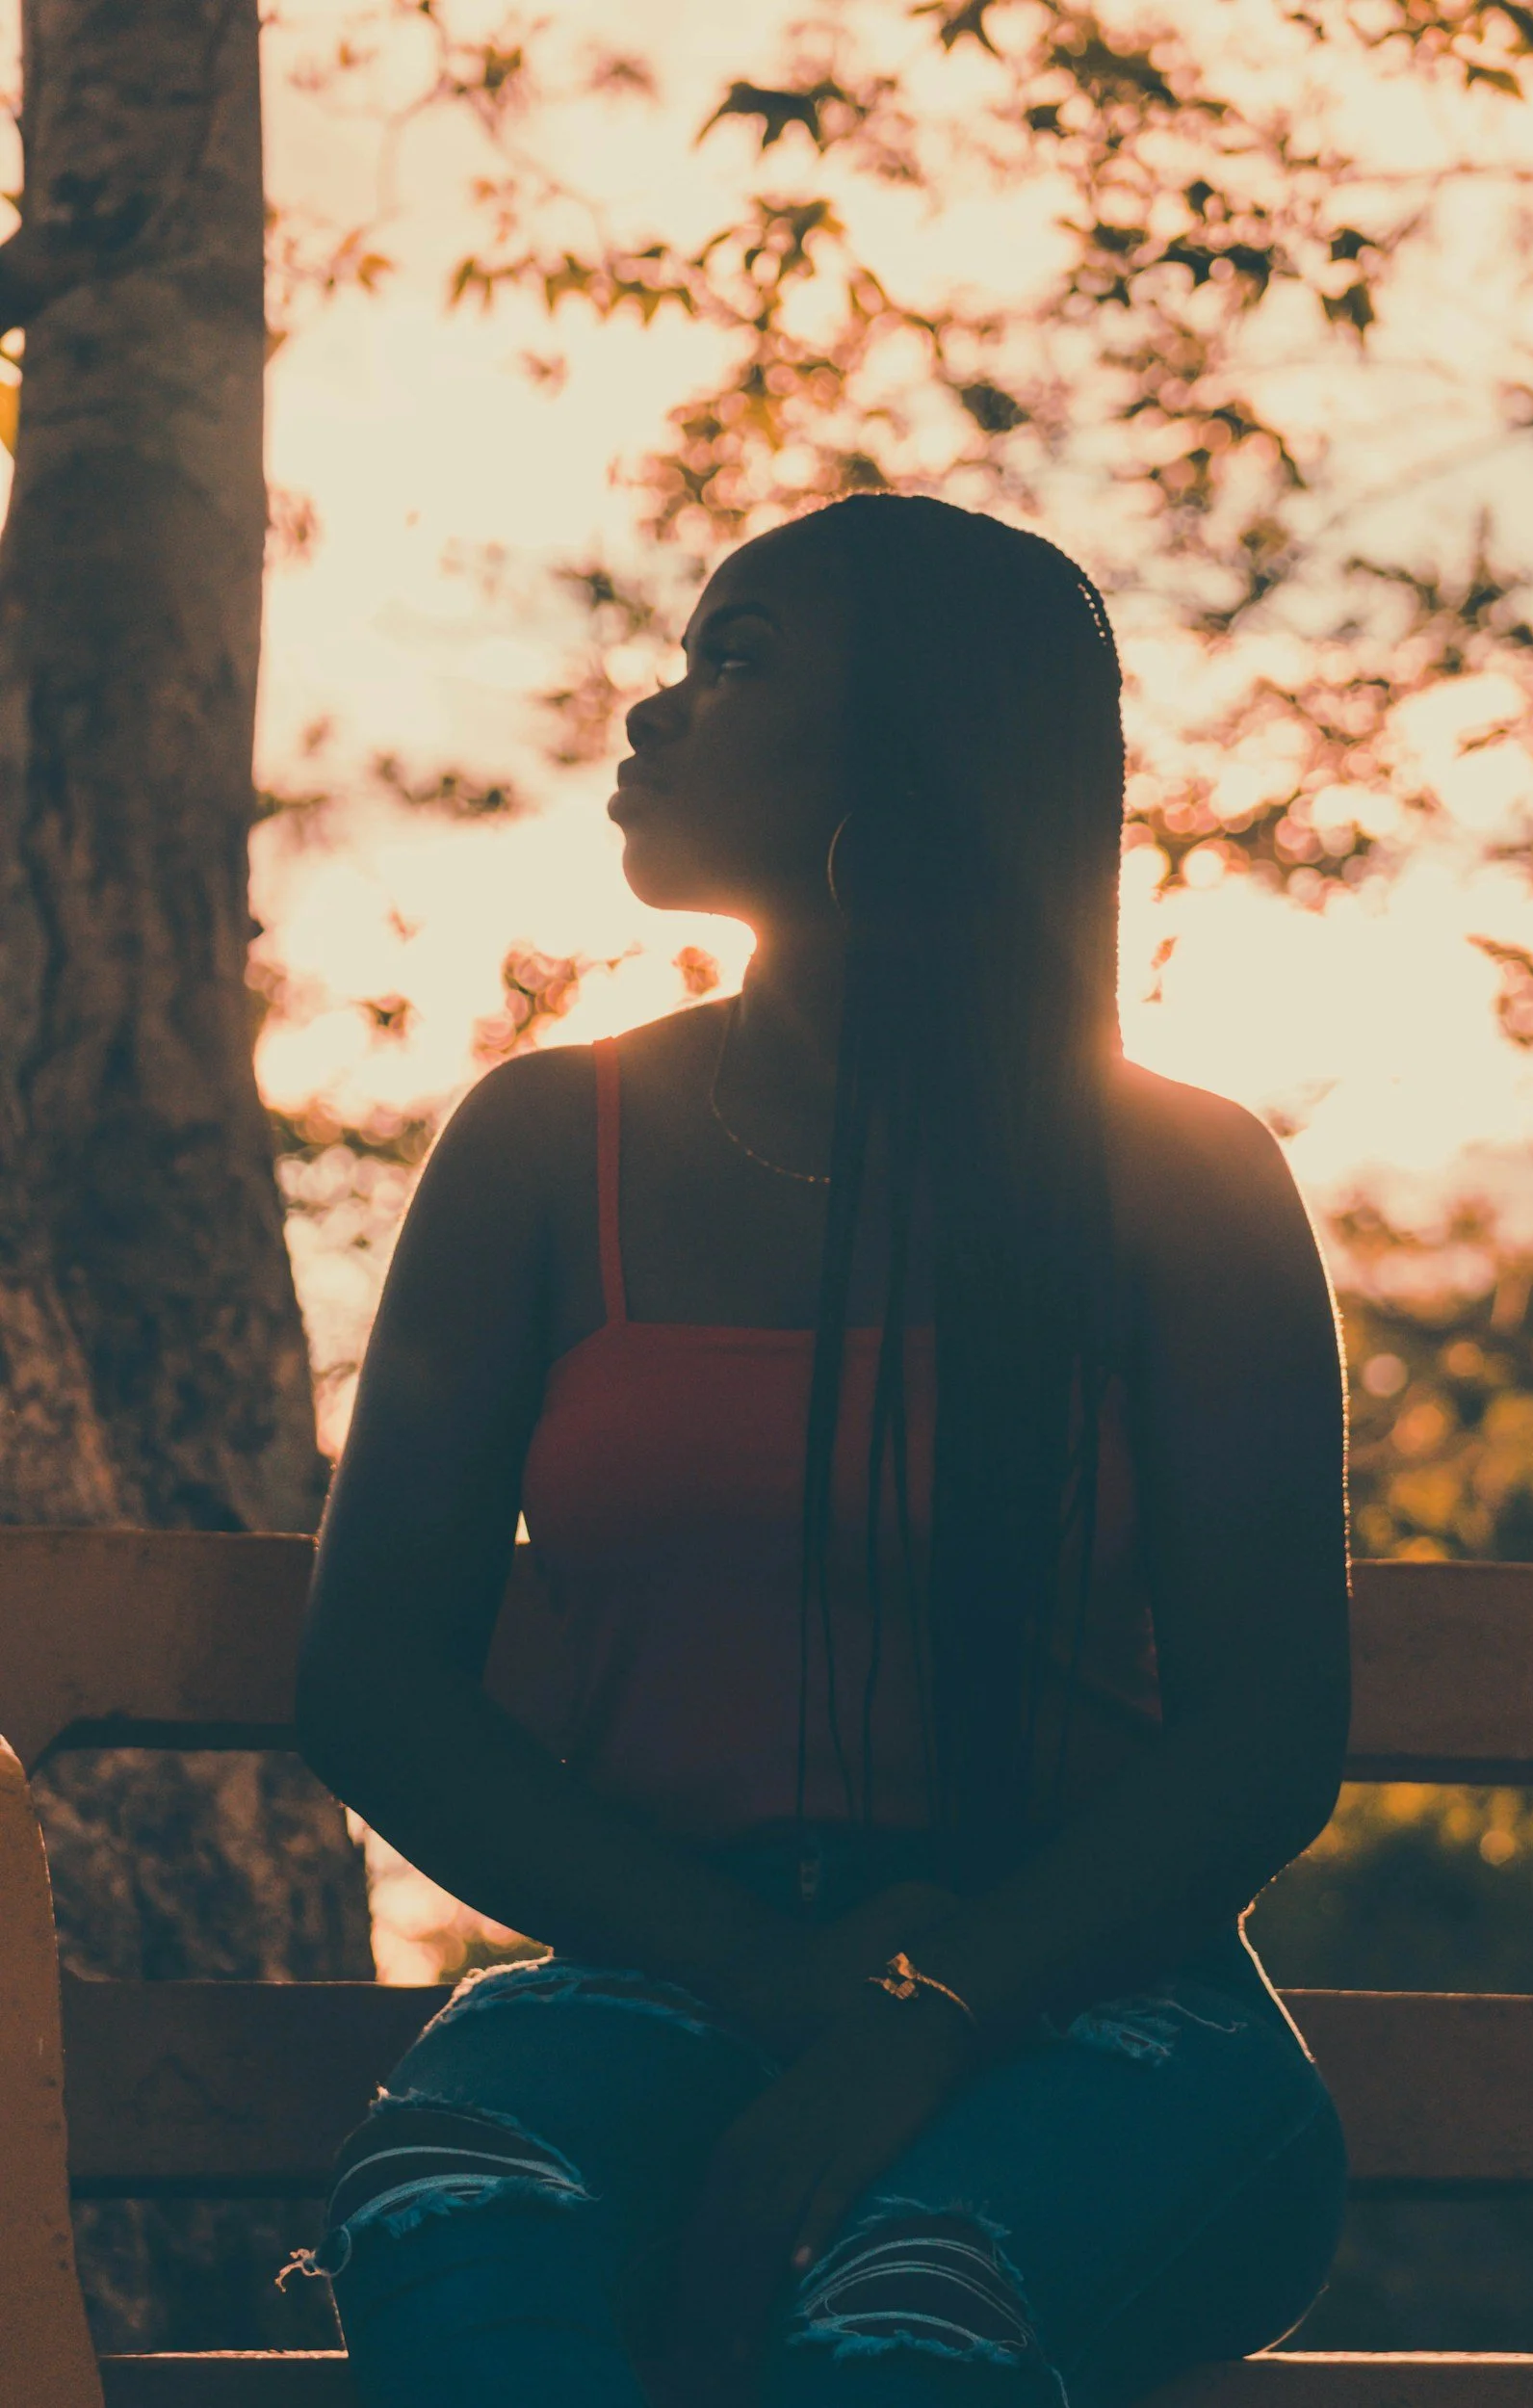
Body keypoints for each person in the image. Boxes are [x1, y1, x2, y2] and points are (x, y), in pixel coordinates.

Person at [294, 492, 1351, 2407]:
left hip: (1104, 2004)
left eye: (739, 658)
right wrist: (789, 1988)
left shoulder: (1180, 1181)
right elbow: (374, 1677)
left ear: (916, 751)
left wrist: (929, 2011)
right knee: (455, 2199)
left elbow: (1263, 1729)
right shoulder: (546, 1146)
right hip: (668, 1969)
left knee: (905, 2304)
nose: (657, 707)